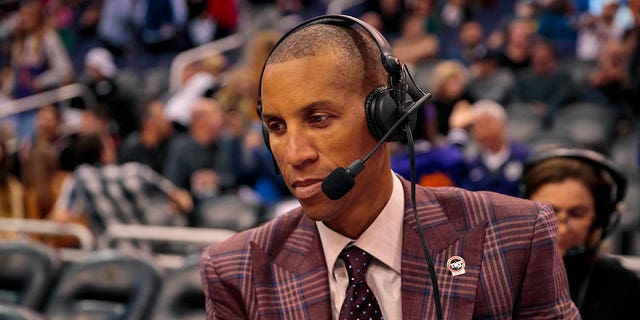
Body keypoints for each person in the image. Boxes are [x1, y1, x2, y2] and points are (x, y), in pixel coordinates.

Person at [199, 15, 579, 319]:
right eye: (277, 127)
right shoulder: (236, 272)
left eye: (318, 118)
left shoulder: (516, 239)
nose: (295, 154)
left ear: (387, 118)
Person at [522, 147, 640, 320]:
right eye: (548, 211)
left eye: (577, 214)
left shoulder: (622, 284)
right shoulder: (497, 275)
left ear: (600, 218)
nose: (561, 229)